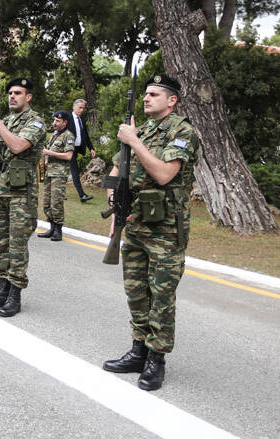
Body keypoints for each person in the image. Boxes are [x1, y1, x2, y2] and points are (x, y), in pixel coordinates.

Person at [101, 74, 199, 391]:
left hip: (167, 229)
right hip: (137, 224)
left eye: (154, 94)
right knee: (136, 292)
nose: (146, 98)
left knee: (161, 297)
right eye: (145, 94)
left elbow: (165, 174)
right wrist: (114, 198)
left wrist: (133, 141)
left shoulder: (182, 131)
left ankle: (157, 359)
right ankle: (138, 350)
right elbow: (116, 169)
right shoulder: (141, 130)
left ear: (172, 100)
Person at [0, 78, 45, 318]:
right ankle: (1, 289)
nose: (12, 96)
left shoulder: (35, 122)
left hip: (21, 195)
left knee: (16, 246)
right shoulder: (8, 121)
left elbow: (17, 146)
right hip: (2, 192)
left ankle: (14, 295)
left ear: (29, 97)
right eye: (10, 93)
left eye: (18, 93)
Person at [37, 110, 75, 241]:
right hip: (49, 173)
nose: (55, 123)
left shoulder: (68, 136)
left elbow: (69, 156)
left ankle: (58, 230)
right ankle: (51, 228)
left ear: (65, 122)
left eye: (58, 121)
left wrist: (49, 153)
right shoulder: (55, 134)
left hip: (59, 174)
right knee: (47, 202)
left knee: (56, 202)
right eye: (54, 120)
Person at [66, 99, 95, 203]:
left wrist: (91, 148)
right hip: (68, 149)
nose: (82, 110)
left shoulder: (81, 120)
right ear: (74, 107)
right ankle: (82, 195)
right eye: (80, 107)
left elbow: (85, 136)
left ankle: (59, 193)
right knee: (75, 171)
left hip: (77, 149)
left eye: (83, 108)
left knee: (64, 170)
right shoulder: (67, 118)